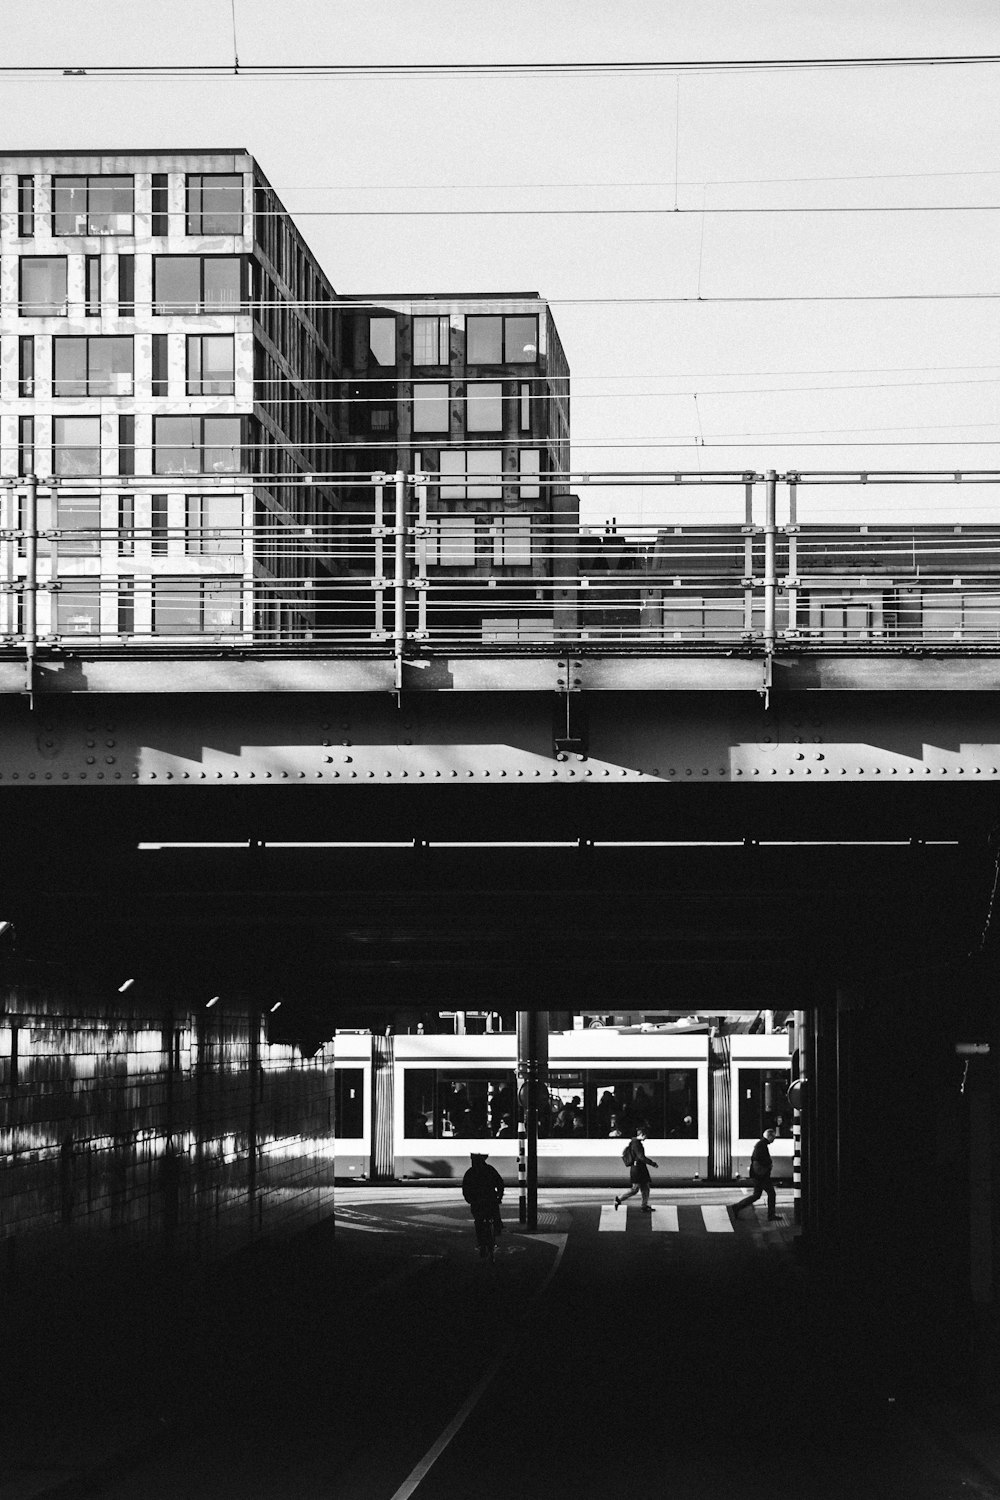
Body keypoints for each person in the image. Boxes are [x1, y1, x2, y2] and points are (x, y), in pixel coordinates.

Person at [462, 1151, 505, 1261]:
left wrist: (469, 1200)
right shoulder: (490, 1170)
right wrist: (499, 1197)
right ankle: (497, 1228)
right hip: (490, 1200)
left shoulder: (470, 1172)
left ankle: (481, 1244)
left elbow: (465, 1188)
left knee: (478, 1221)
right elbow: (500, 1183)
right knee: (495, 1215)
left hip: (477, 1202)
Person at [732, 1127, 778, 1220]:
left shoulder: (761, 1144)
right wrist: (768, 1165)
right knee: (771, 1193)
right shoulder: (761, 1145)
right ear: (769, 1136)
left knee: (757, 1195)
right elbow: (759, 1159)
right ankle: (771, 1215)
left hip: (758, 1174)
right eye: (773, 1137)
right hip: (761, 1175)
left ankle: (737, 1207)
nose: (774, 1139)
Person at [614, 1124, 658, 1213]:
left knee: (645, 1187)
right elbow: (641, 1157)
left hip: (639, 1168)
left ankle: (644, 1206)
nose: (646, 1138)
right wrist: (652, 1163)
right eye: (646, 1135)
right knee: (635, 1189)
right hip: (638, 1169)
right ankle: (619, 1199)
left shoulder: (634, 1142)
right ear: (642, 1134)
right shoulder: (636, 1143)